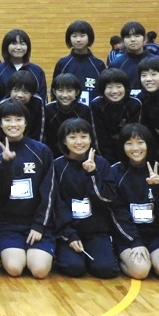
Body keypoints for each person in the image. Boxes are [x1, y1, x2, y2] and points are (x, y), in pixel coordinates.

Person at [0, 100, 56, 278]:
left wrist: (39, 225)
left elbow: (49, 192)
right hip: (9, 225)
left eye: (18, 119)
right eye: (7, 120)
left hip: (37, 223)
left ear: (26, 122)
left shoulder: (41, 151)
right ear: (0, 123)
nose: (13, 124)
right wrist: (5, 164)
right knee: (14, 269)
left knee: (40, 271)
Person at [52, 119, 122, 279]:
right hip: (68, 231)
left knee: (106, 270)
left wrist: (92, 174)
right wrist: (69, 234)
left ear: (90, 139)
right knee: (74, 267)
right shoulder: (57, 166)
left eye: (83, 137)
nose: (79, 142)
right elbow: (56, 204)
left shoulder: (102, 164)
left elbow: (107, 198)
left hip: (96, 232)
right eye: (72, 137)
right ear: (64, 141)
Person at [110, 123, 159, 281]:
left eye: (140, 142)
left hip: (158, 235)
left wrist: (158, 188)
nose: (135, 148)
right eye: (129, 143)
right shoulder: (115, 172)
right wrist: (135, 241)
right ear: (122, 146)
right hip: (128, 237)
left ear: (148, 144)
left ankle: (154, 260)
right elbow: (117, 214)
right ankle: (120, 258)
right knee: (140, 271)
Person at [90, 68, 142, 161]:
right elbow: (99, 137)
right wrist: (107, 162)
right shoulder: (96, 105)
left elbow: (134, 135)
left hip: (130, 152)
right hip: (105, 154)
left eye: (119, 86)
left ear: (125, 87)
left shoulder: (135, 104)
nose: (114, 91)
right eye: (109, 87)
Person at [53, 20, 106, 105]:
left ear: (89, 37)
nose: (78, 40)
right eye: (74, 36)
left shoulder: (98, 64)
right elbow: (55, 92)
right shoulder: (62, 64)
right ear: (69, 38)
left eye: (82, 36)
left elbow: (104, 92)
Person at [0, 29, 47, 101]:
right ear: (6, 46)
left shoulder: (37, 71)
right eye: (14, 43)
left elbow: (42, 99)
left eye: (22, 44)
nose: (18, 47)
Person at [44, 73, 91, 158]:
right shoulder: (47, 109)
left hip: (79, 153)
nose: (65, 95)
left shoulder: (85, 110)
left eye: (69, 91)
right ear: (54, 91)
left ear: (77, 92)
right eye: (60, 90)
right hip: (53, 155)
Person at [0, 70, 45, 143]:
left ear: (32, 93)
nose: (20, 95)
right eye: (16, 90)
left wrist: (36, 147)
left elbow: (40, 129)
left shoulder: (38, 102)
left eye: (25, 91)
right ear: (10, 91)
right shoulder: (2, 105)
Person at [109, 22, 150, 95]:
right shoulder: (116, 64)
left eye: (137, 36)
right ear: (122, 41)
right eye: (128, 37)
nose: (133, 40)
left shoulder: (157, 62)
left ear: (145, 39)